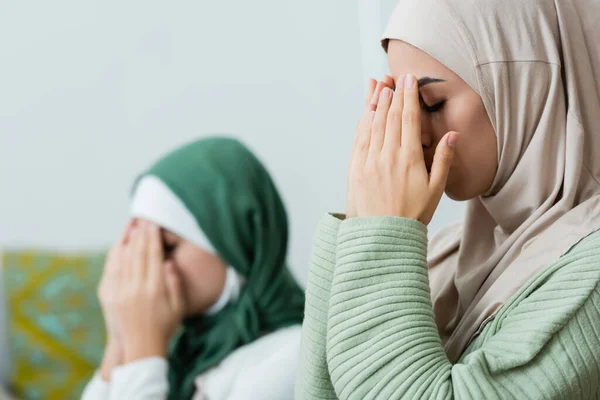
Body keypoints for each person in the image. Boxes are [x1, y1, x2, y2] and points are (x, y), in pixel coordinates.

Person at [296, 0, 600, 398]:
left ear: (529, 89)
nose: (410, 132)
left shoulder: (588, 273)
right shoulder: (443, 258)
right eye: (396, 102)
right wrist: (361, 218)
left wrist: (381, 234)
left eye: (431, 102)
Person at [82, 137, 305, 400]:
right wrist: (119, 345)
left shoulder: (293, 359)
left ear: (233, 242)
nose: (147, 267)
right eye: (136, 248)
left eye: (165, 246)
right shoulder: (189, 349)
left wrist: (144, 351)